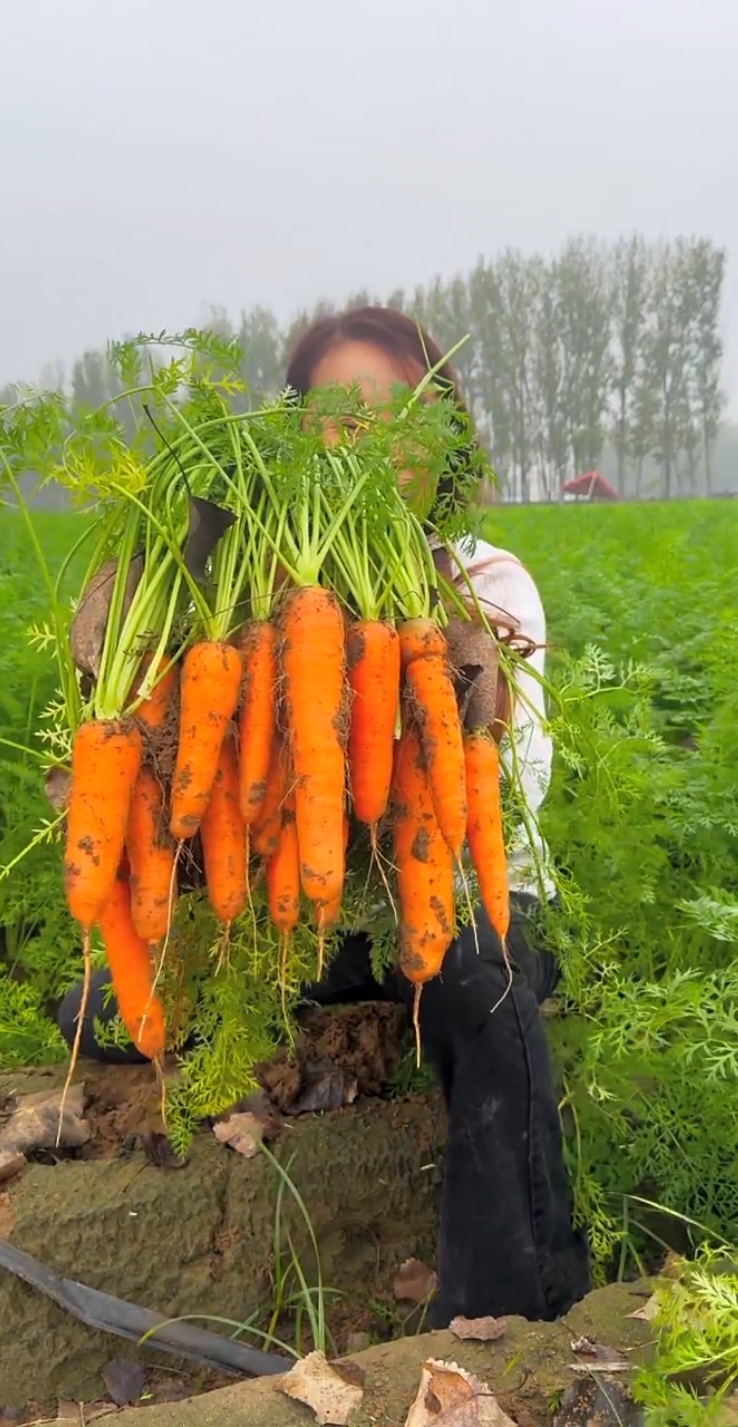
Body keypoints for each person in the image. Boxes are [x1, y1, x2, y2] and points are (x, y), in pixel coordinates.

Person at [58, 307, 590, 1328]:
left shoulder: (479, 576)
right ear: (293, 442)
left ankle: (513, 1302)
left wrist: (396, 671)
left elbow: (503, 770)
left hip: (472, 895)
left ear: (442, 443)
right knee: (97, 998)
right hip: (327, 906)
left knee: (479, 976)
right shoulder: (259, 598)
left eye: (393, 417)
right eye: (334, 420)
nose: (362, 443)